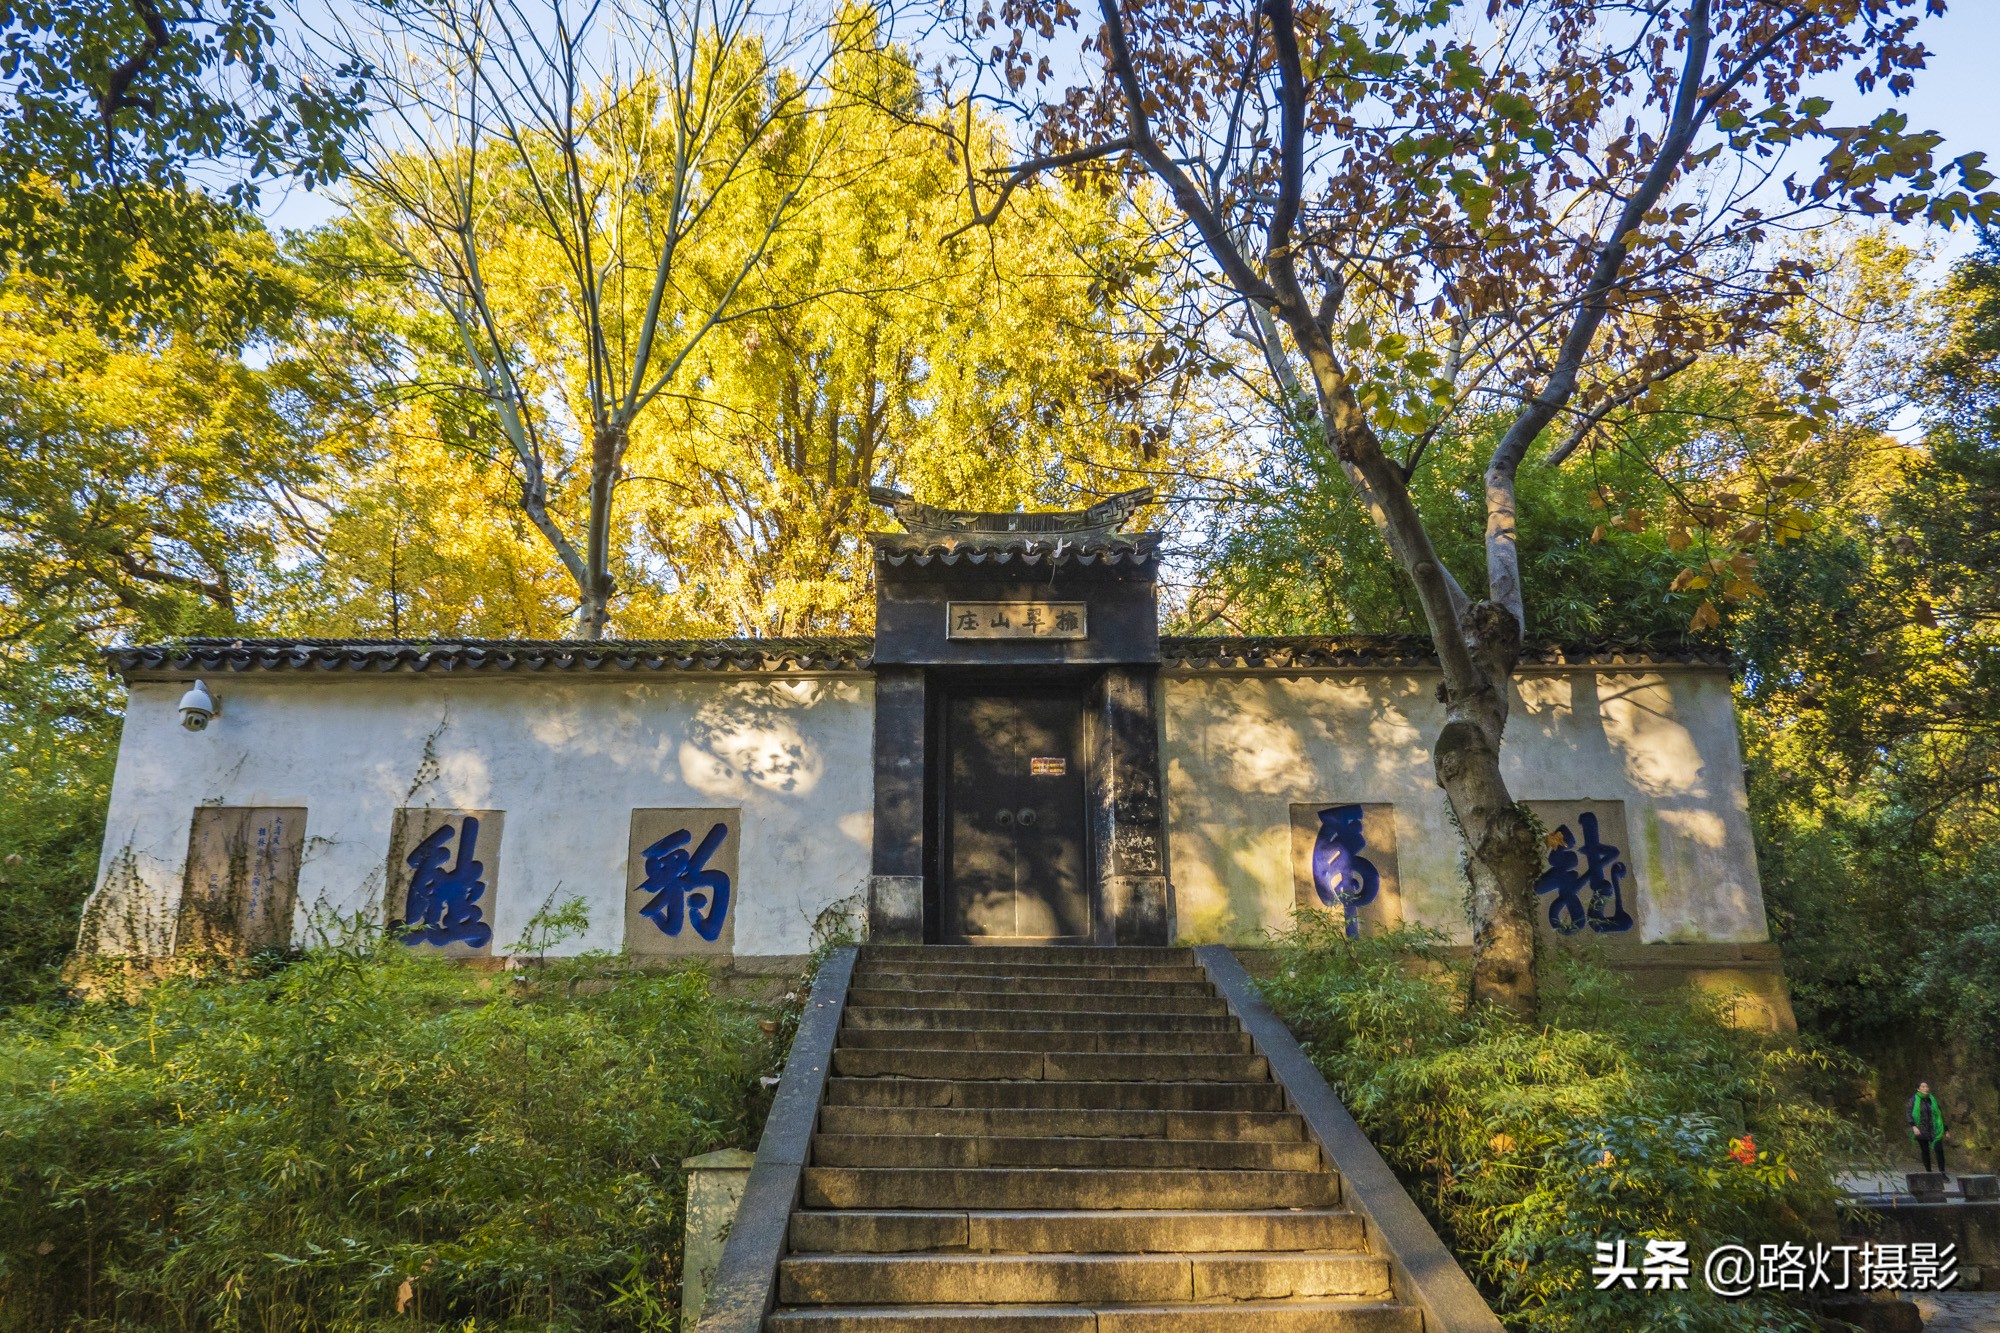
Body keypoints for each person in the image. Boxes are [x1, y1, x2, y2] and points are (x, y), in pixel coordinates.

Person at [1910, 1081, 1948, 1176]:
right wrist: (1913, 1126)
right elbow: (1909, 1114)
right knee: (1925, 1151)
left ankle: (1942, 1173)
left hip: (1935, 1129)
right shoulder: (1913, 1100)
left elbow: (1940, 1115)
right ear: (1918, 1089)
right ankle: (1929, 1173)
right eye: (1923, 1086)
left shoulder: (1933, 1100)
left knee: (1939, 1150)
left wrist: (1946, 1129)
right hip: (1921, 1129)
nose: (1925, 1088)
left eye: (1926, 1086)